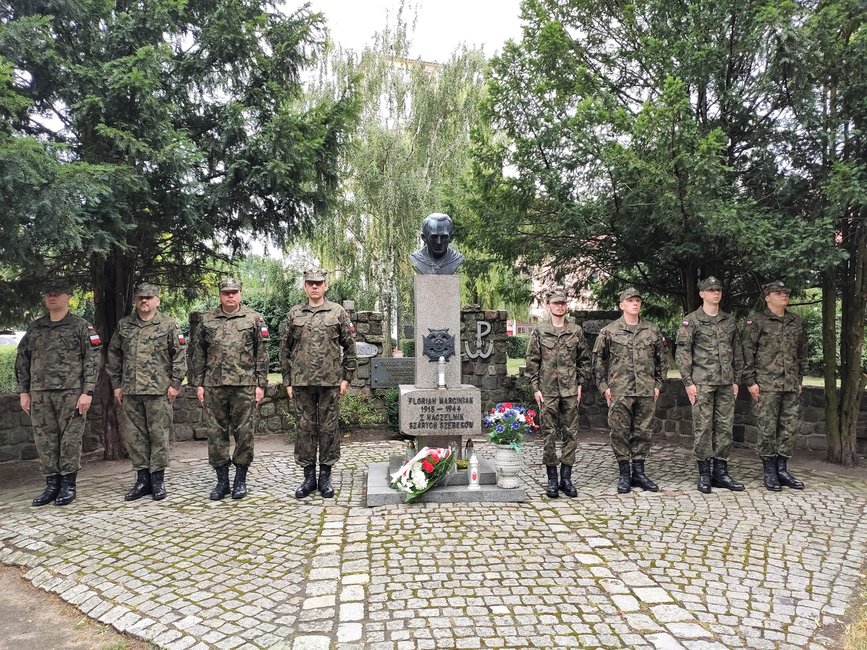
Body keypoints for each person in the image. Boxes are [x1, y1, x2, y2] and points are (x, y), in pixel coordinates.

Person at [15, 281, 102, 506]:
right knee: (45, 440)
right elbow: (22, 360)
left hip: (71, 393)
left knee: (70, 439)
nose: (52, 298)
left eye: (57, 294)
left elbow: (92, 359)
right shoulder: (35, 327)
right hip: (40, 393)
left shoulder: (81, 326)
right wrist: (23, 391)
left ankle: (68, 485)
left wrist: (87, 391)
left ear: (68, 297)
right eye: (48, 294)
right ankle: (51, 485)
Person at [280, 269, 357, 499]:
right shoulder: (294, 314)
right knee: (304, 429)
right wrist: (287, 381)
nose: (314, 287)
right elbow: (284, 350)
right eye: (310, 283)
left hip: (329, 382)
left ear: (326, 286)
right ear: (305, 286)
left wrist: (346, 378)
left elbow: (350, 347)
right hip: (301, 383)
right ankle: (308, 477)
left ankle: (325, 477)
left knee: (328, 429)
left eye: (319, 283)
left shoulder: (338, 312)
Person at [106, 283, 187, 501]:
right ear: (135, 301)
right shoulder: (124, 325)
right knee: (135, 437)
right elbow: (114, 356)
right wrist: (116, 384)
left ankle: (158, 479)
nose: (144, 300)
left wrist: (175, 384)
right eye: (141, 297)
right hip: (131, 390)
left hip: (159, 391)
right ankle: (142, 480)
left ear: (157, 301)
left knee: (158, 435)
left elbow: (179, 355)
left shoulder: (168, 325)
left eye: (149, 297)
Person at [191, 278, 269, 500]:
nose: (230, 296)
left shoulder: (253, 319)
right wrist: (199, 384)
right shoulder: (207, 320)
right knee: (216, 434)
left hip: (244, 385)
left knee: (244, 433)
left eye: (234, 292)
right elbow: (198, 354)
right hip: (214, 386)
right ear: (220, 295)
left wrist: (261, 384)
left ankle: (240, 480)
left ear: (240, 293)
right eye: (226, 293)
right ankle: (222, 481)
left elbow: (261, 354)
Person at [593, 288, 668, 494]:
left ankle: (639, 473)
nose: (635, 303)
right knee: (619, 431)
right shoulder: (609, 331)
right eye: (630, 300)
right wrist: (604, 388)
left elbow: (662, 360)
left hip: (645, 390)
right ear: (621, 305)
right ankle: (624, 473)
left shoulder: (652, 330)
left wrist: (658, 385)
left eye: (637, 300)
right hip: (620, 391)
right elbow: (597, 361)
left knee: (643, 431)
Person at [675, 276, 744, 493]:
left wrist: (736, 380)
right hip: (702, 383)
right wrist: (688, 382)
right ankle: (704, 473)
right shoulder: (691, 321)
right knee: (703, 427)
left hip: (725, 383)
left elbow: (737, 352)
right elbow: (683, 354)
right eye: (711, 290)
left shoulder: (729, 321)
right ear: (702, 294)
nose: (716, 293)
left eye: (719, 290)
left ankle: (720, 473)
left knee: (725, 427)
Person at [742, 280, 809, 491]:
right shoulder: (756, 321)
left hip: (790, 384)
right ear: (767, 297)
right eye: (778, 293)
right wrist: (750, 382)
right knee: (767, 427)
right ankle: (769, 471)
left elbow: (802, 352)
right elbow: (747, 352)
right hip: (766, 384)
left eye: (785, 292)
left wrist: (799, 379)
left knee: (789, 427)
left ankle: (782, 469)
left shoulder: (796, 321)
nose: (784, 295)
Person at [524, 288, 591, 498]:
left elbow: (584, 360)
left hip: (570, 390)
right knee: (549, 434)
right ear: (549, 306)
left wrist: (580, 384)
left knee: (571, 433)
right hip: (548, 390)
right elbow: (532, 361)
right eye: (556, 303)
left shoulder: (576, 331)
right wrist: (535, 388)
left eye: (562, 303)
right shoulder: (540, 331)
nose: (560, 306)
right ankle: (552, 479)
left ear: (566, 306)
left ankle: (566, 478)